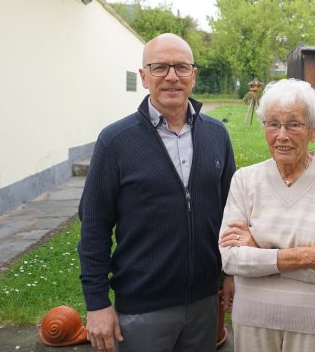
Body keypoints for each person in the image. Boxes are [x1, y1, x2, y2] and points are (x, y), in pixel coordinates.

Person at [77, 33, 237, 352]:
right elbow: (94, 226)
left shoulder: (216, 135)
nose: (172, 77)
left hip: (205, 303)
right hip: (142, 310)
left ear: (194, 74)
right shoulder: (116, 142)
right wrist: (96, 303)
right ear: (144, 76)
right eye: (160, 67)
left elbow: (233, 215)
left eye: (181, 67)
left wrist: (230, 274)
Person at [218, 78, 315, 352]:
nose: (282, 135)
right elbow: (232, 260)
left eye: (294, 124)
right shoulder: (245, 180)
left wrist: (258, 249)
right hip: (254, 324)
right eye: (273, 124)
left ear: (314, 129)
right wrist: (310, 256)